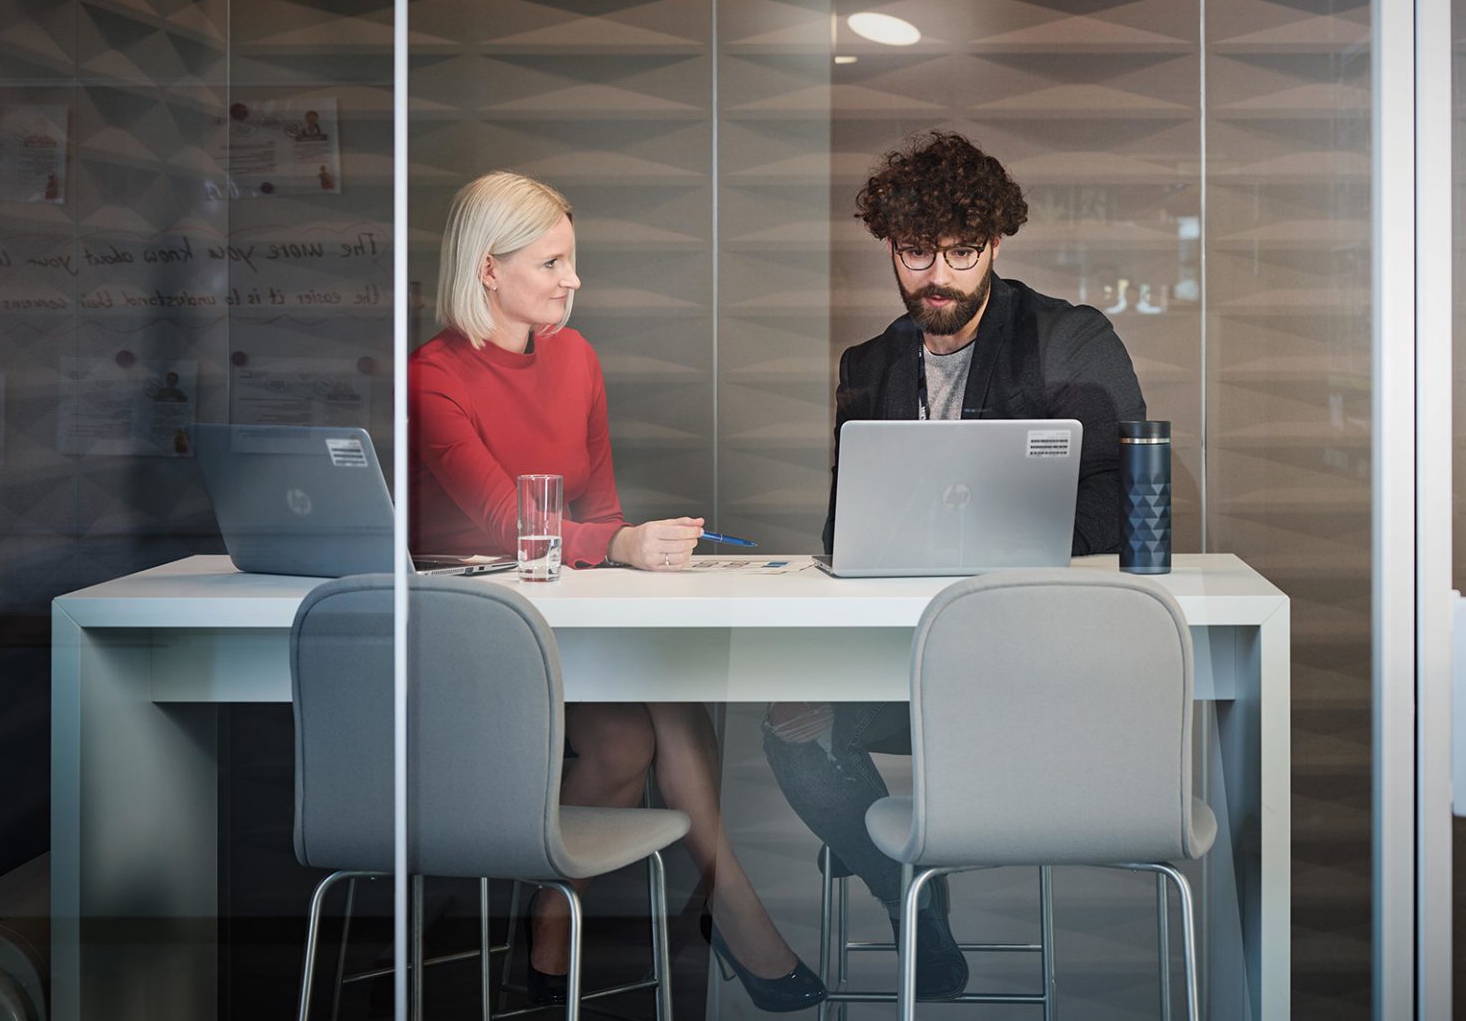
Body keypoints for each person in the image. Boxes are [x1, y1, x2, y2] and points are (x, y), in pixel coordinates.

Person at [410, 170, 827, 1012]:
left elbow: (597, 509)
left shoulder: (577, 358)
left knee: (650, 719)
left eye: (573, 262)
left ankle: (571, 924)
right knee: (635, 736)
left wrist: (628, 545)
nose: (573, 282)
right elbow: (502, 519)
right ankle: (718, 907)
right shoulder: (432, 375)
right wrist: (623, 546)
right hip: (478, 634)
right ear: (488, 269)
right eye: (553, 263)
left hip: (569, 619)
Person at [761, 131, 1147, 1000]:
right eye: (916, 252)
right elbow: (848, 529)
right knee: (792, 722)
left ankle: (912, 903)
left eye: (962, 252)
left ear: (996, 245)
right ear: (890, 249)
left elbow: (1122, 504)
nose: (938, 274)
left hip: (1038, 669)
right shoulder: (867, 367)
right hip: (921, 672)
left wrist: (973, 547)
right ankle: (913, 905)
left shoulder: (1069, 342)